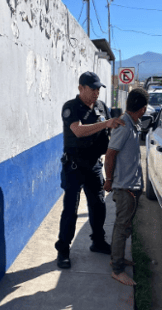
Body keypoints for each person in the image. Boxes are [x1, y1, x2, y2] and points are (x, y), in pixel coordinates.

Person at [55, 71, 125, 269]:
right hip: (74, 166)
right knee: (71, 208)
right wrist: (105, 123)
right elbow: (77, 130)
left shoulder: (102, 106)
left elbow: (111, 129)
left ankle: (98, 241)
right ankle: (63, 250)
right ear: (81, 88)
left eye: (98, 89)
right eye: (92, 89)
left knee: (98, 205)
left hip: (94, 164)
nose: (96, 93)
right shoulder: (71, 107)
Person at [104, 87, 149, 286]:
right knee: (121, 227)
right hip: (124, 188)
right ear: (143, 108)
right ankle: (117, 269)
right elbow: (110, 154)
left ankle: (118, 258)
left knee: (125, 225)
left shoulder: (133, 124)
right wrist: (108, 181)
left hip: (131, 186)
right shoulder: (123, 126)